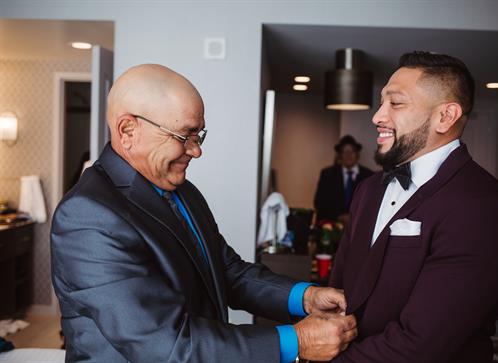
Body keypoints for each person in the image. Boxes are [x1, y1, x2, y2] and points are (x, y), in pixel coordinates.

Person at [50, 64, 357, 363]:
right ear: (128, 130)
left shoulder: (183, 191)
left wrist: (305, 297)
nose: (196, 150)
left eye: (199, 135)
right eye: (185, 136)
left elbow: (225, 271)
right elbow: (167, 346)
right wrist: (297, 341)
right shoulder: (87, 216)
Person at [329, 51, 498, 362]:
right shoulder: (368, 189)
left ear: (445, 117)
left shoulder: (486, 208)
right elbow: (338, 290)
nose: (378, 116)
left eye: (395, 103)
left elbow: (421, 344)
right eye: (382, 103)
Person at [314, 135, 373, 223]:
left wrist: (353, 217)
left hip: (359, 226)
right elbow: (319, 202)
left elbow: (371, 204)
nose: (348, 155)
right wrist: (338, 217)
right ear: (340, 155)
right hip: (332, 228)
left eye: (352, 151)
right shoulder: (327, 174)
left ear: (357, 154)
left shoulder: (369, 176)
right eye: (345, 151)